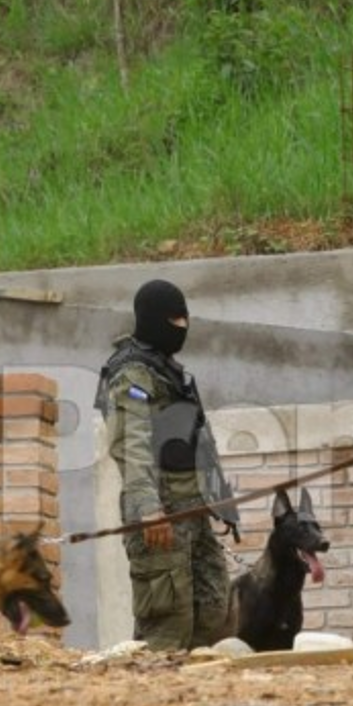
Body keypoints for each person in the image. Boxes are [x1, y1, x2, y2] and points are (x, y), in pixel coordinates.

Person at [95, 279, 240, 650]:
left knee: (214, 613)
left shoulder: (170, 372)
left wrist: (220, 501)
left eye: (185, 318)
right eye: (174, 319)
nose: (183, 327)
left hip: (192, 511)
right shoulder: (132, 373)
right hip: (159, 516)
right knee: (167, 628)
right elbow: (132, 443)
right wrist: (148, 509)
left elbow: (197, 438)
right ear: (154, 320)